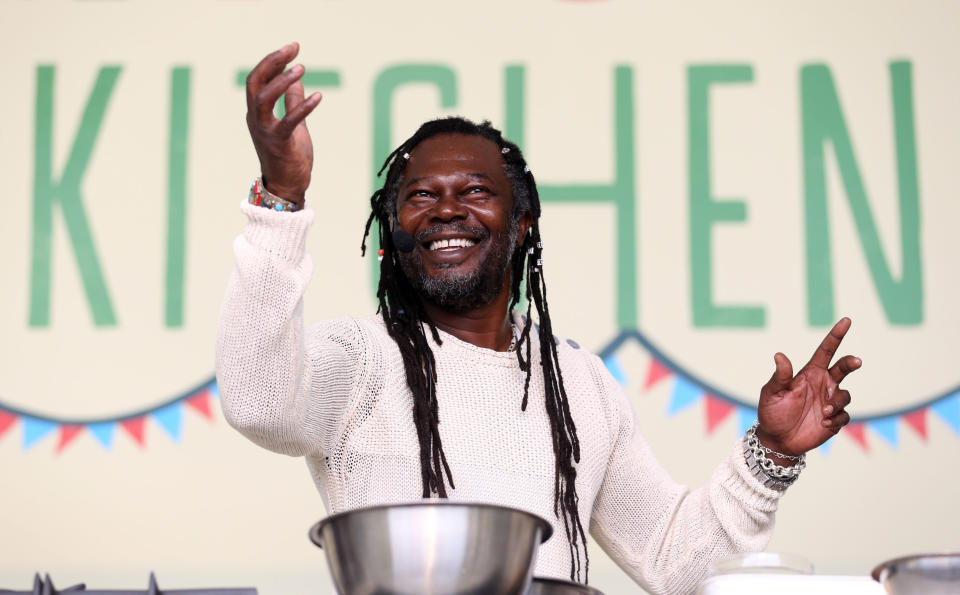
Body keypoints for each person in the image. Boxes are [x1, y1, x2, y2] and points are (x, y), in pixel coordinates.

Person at [216, 43, 861, 594]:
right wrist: (281, 196)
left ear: (522, 225)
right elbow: (258, 402)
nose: (446, 210)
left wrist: (769, 455)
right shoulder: (362, 355)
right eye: (419, 196)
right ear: (394, 230)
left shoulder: (578, 382)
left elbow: (676, 564)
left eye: (474, 191)